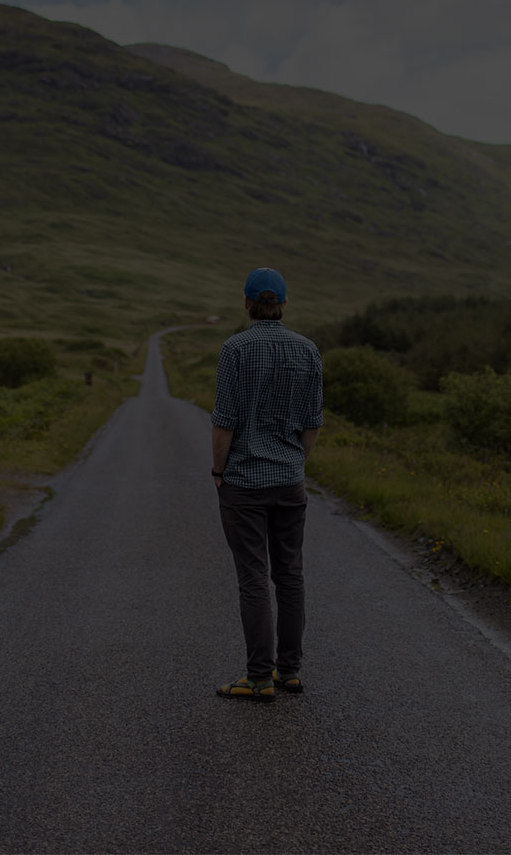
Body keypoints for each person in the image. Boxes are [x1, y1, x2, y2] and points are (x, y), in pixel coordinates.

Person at [210, 267, 323, 703]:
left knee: (254, 577)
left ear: (246, 303)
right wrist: (293, 464)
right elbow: (312, 424)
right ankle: (288, 671)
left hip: (243, 482)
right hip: (289, 480)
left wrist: (218, 472)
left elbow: (224, 423)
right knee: (290, 575)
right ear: (284, 303)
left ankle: (259, 678)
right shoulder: (308, 350)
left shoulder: (235, 349)